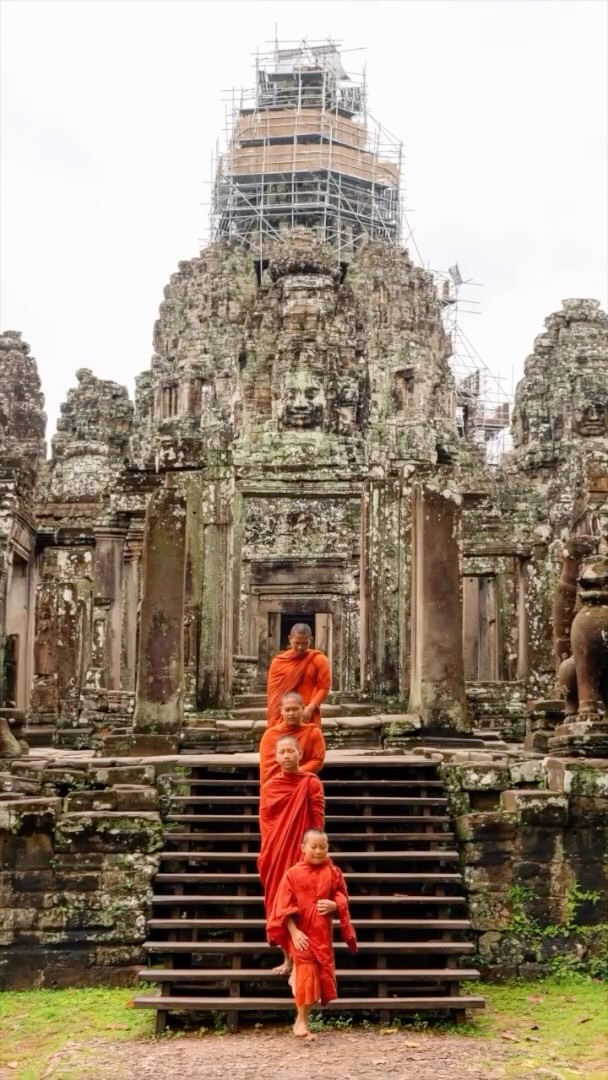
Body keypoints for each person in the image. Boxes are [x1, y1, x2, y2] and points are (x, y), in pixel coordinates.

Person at [267, 829, 358, 1039]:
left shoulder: (333, 872)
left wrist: (336, 904)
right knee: (307, 977)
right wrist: (294, 931)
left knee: (317, 977)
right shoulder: (293, 874)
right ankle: (301, 1022)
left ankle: (300, 1011)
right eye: (314, 847)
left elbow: (342, 895)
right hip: (302, 934)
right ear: (303, 848)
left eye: (323, 847)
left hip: (322, 934)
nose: (318, 851)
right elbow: (283, 907)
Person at [258, 735, 325, 976]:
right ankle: (288, 959)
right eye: (282, 752)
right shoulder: (270, 786)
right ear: (275, 757)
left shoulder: (311, 782)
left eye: (290, 751)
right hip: (277, 852)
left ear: (300, 754)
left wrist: (315, 850)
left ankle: (305, 960)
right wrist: (270, 852)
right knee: (280, 902)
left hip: (302, 851)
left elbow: (317, 819)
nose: (286, 756)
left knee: (304, 904)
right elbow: (266, 822)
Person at [266, 623, 331, 728]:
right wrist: (277, 715)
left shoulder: (319, 659)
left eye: (305, 643)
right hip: (283, 715)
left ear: (311, 639)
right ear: (290, 639)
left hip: (307, 714)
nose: (300, 647)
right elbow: (273, 696)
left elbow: (324, 687)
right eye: (296, 643)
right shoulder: (278, 662)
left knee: (308, 742)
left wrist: (311, 707)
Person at [259, 691, 326, 787]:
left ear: (303, 709)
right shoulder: (270, 735)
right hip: (275, 786)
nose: (291, 713)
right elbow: (267, 770)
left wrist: (294, 772)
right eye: (287, 710)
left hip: (301, 783)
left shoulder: (313, 732)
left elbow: (317, 761)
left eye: (295, 709)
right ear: (281, 711)